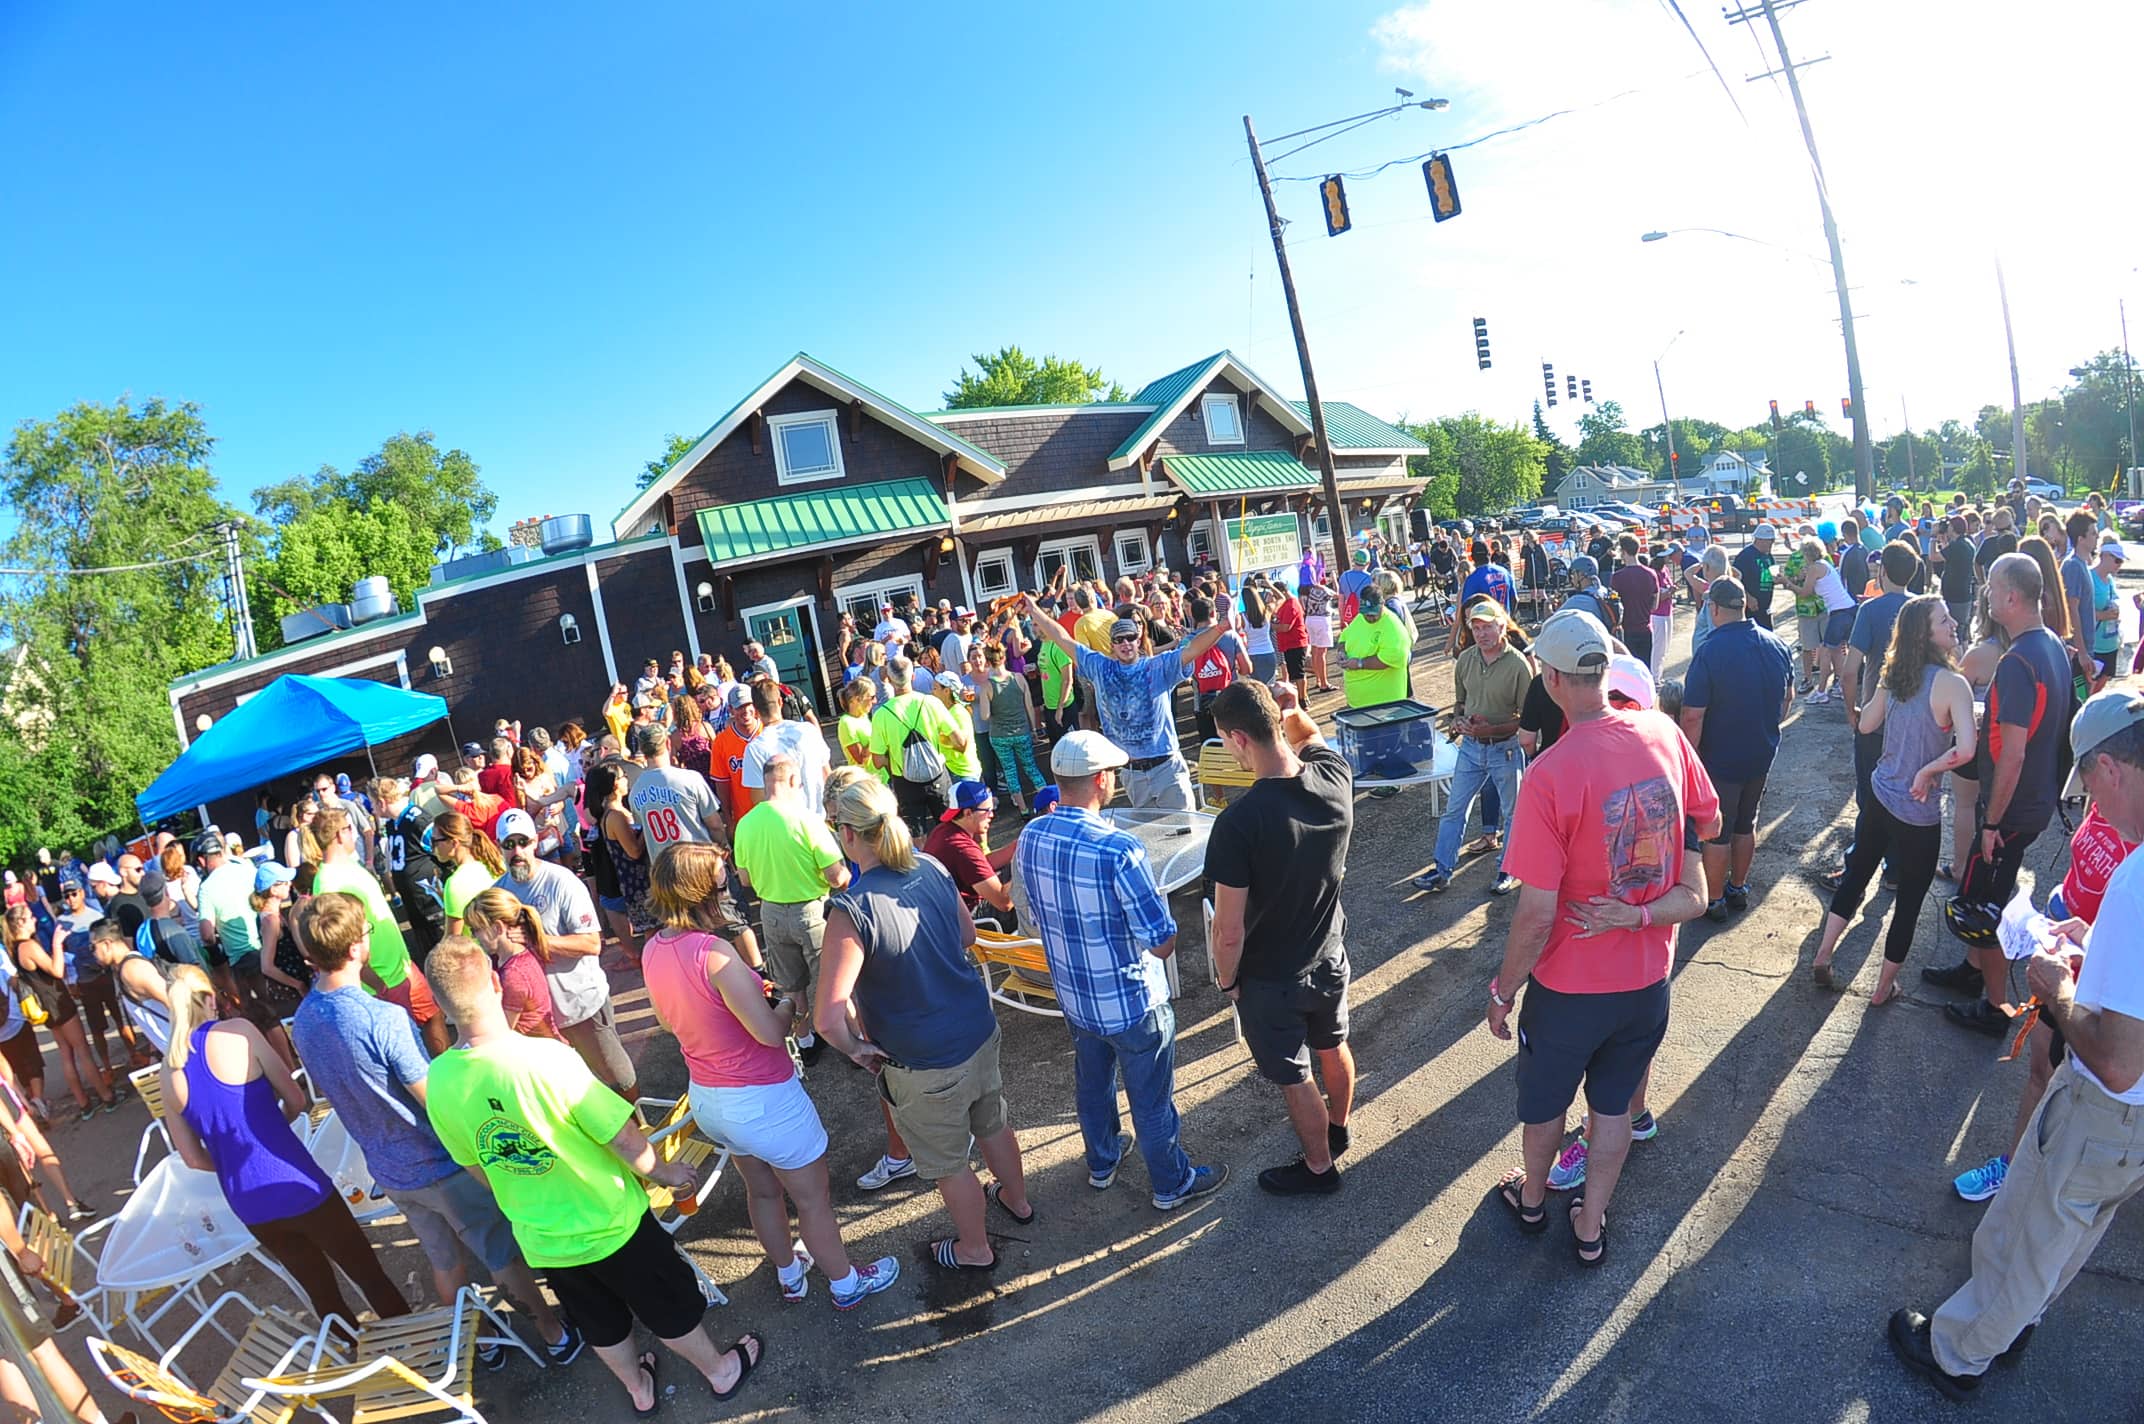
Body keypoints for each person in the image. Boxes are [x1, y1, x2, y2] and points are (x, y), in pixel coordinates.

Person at [1888, 687, 2144, 1400]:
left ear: (2113, 769)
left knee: (2039, 1230)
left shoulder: (2138, 881)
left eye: (2087, 782)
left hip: (2109, 1110)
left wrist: (2056, 990)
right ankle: (2010, 1320)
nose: (2088, 800)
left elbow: (2120, 1062)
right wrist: (2094, 948)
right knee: (2066, 1230)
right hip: (2129, 1130)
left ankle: (1957, 1353)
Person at [421, 937, 764, 1412]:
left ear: (440, 1003)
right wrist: (663, 1171)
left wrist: (523, 1195)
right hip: (611, 1221)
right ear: (496, 985)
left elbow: (473, 1163)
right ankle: (721, 1372)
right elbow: (622, 1138)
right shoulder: (546, 1060)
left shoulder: (438, 1079)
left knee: (599, 1321)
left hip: (543, 1236)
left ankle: (639, 1392)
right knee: (665, 1304)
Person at [1486, 610, 1721, 1266]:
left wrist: (1504, 991)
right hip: (1647, 979)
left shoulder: (1551, 774)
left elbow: (1536, 913)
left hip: (1570, 988)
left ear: (1553, 678)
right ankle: (1590, 1226)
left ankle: (1533, 1202)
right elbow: (1709, 816)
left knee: (1546, 1107)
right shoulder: (1664, 733)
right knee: (1613, 1108)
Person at [288, 898, 579, 1361]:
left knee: (444, 1260)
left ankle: (481, 1344)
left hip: (388, 1168)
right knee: (500, 1252)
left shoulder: (303, 1021)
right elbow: (431, 1097)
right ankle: (553, 1334)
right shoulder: (380, 1017)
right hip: (438, 1163)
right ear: (356, 946)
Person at [640, 842, 897, 1310]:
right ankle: (844, 1282)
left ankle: (789, 1275)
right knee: (813, 1199)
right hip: (763, 1099)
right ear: (701, 892)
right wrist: (784, 1003)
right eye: (721, 884)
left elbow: (667, 1018)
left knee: (761, 1190)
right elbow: (767, 1033)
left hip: (709, 1097)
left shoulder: (653, 950)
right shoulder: (714, 952)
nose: (730, 891)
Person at [816, 777, 1034, 1268]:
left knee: (949, 1164)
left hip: (921, 1059)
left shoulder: (851, 909)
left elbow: (828, 1017)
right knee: (993, 1122)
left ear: (847, 834)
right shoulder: (933, 866)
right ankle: (1018, 1202)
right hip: (977, 1028)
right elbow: (963, 936)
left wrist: (857, 1049)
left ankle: (975, 1250)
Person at [1016, 731, 1227, 1211]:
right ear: (1100, 780)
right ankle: (1171, 1183)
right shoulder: (1119, 851)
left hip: (1074, 995)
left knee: (1093, 1085)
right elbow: (1162, 941)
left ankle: (1102, 1162)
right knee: (1151, 1101)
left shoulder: (1031, 834)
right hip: (1130, 1001)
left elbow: (1029, 908)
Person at [160, 962, 410, 1325]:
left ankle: (353, 1353)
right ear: (210, 999)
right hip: (296, 1181)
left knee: (321, 1292)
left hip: (249, 1201)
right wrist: (273, 1129)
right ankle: (412, 1344)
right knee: (368, 1274)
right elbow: (295, 1098)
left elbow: (193, 1158)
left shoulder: (168, 1073)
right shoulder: (240, 1033)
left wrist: (233, 1163)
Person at [1206, 681, 1354, 1195]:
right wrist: (1291, 707)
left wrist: (1226, 982)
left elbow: (1227, 931)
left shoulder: (1239, 824)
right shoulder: (1336, 776)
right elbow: (1309, 733)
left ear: (1239, 738)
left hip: (1272, 978)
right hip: (1329, 954)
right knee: (1332, 1045)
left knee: (1296, 1076)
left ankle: (1318, 1168)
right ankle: (1338, 1130)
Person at [1925, 554, 2076, 1036]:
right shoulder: (2051, 644)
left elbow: (2011, 755)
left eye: (1991, 587)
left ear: (2012, 597)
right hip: (2032, 802)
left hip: (2010, 810)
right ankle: (1973, 972)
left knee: (1983, 905)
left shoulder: (2016, 662)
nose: (1986, 595)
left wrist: (1991, 823)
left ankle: (1994, 1007)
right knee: (1984, 897)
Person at [1809, 598, 1978, 1001]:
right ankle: (1884, 988)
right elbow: (1967, 750)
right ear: (1925, 632)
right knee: (1908, 901)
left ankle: (1823, 953)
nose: (1954, 623)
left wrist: (1869, 695)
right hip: (1918, 812)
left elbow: (1867, 723)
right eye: (1944, 619)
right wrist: (1928, 769)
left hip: (1881, 794)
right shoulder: (1954, 684)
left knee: (1857, 876)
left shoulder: (1895, 675)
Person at [1021, 596, 1228, 811]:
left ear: (1138, 640)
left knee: (1185, 830)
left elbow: (1193, 649)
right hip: (1131, 773)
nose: (1125, 643)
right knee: (1151, 837)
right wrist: (1035, 611)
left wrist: (1222, 627)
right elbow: (1062, 638)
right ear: (1112, 645)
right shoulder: (1099, 667)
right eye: (1119, 640)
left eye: (1130, 638)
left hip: (1167, 768)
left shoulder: (1158, 666)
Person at [492, 809, 640, 1108]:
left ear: (536, 841)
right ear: (499, 847)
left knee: (616, 1077)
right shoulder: (498, 892)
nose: (517, 851)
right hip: (538, 1019)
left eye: (523, 842)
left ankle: (641, 1129)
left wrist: (536, 941)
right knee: (571, 1090)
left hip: (578, 1004)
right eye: (509, 845)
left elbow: (591, 943)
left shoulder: (561, 882)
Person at [1680, 578, 1794, 923]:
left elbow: (1692, 715)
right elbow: (1788, 698)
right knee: (1748, 821)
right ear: (1743, 605)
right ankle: (1738, 887)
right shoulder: (1776, 644)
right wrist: (1769, 728)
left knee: (1718, 831)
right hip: (1761, 752)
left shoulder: (1710, 651)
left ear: (1713, 608)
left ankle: (1714, 900)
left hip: (1721, 759)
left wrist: (1689, 760)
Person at [732, 755, 848, 1065]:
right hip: (812, 912)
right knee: (837, 980)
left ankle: (806, 1041)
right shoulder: (807, 820)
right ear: (794, 781)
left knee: (791, 986)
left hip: (770, 912)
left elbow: (743, 878)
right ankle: (850, 1041)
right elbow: (836, 876)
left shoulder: (746, 823)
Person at [1413, 599, 1530, 898]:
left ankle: (1507, 869)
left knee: (1513, 814)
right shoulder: (1465, 659)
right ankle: (1442, 869)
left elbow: (1527, 721)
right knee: (1454, 810)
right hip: (1471, 748)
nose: (1481, 634)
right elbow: (1460, 702)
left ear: (1501, 627)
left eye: (1487, 627)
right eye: (1476, 628)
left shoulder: (1518, 665)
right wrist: (1458, 720)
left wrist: (1490, 729)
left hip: (1504, 749)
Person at [310, 809, 449, 1057]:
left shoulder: (350, 866)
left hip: (401, 966)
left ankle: (448, 1078)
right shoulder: (329, 883)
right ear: (340, 835)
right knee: (408, 1046)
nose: (354, 835)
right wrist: (377, 983)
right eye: (350, 829)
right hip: (380, 979)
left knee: (433, 1015)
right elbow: (341, 944)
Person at [868, 655, 970, 833]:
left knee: (916, 835)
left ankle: (924, 860)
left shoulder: (881, 715)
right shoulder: (932, 703)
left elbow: (877, 760)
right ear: (913, 677)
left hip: (904, 782)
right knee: (951, 829)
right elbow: (961, 743)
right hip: (937, 775)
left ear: (890, 680)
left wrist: (896, 761)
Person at [459, 889, 564, 1039]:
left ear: (497, 928)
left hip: (537, 1055)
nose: (475, 936)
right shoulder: (513, 956)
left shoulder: (514, 974)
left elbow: (502, 1032)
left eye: (476, 929)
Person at [628, 722, 727, 857]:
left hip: (664, 869)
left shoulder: (635, 791)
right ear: (668, 744)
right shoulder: (690, 779)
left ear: (643, 750)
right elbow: (715, 825)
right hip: (699, 861)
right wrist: (723, 846)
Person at [923, 780, 1016, 922]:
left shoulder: (943, 830)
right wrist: (1024, 876)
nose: (992, 815)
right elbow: (1004, 903)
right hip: (968, 919)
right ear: (968, 813)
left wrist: (1019, 846)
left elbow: (983, 864)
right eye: (987, 811)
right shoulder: (963, 849)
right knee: (1027, 897)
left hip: (942, 912)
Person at [741, 679, 831, 815]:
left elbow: (759, 800)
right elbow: (827, 775)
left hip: (787, 825)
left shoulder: (754, 748)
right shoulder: (809, 730)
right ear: (780, 702)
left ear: (755, 711)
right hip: (820, 819)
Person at [976, 641, 1045, 814]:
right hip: (1022, 731)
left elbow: (984, 716)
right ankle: (1048, 801)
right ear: (1004, 657)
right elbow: (1029, 706)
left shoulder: (987, 686)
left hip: (999, 735)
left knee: (1010, 772)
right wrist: (1034, 730)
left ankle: (1023, 810)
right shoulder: (1019, 678)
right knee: (1031, 767)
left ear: (987, 661)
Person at [431, 809, 505, 937]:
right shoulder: (496, 864)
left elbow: (452, 939)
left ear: (454, 843)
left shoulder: (455, 884)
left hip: (481, 952)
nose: (432, 847)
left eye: (435, 841)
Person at [1337, 590, 1409, 710]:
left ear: (1382, 604)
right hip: (1357, 703)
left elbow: (1391, 658)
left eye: (1374, 613)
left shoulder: (1393, 627)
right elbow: (1344, 638)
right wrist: (1341, 652)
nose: (1370, 617)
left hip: (1385, 705)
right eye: (1366, 613)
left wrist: (1360, 663)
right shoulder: (1360, 617)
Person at [1607, 536, 1659, 669]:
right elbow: (1655, 605)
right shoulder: (1651, 574)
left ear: (1623, 552)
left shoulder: (1617, 577)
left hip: (1627, 631)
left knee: (1628, 670)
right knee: (1645, 668)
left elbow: (1613, 609)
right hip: (1646, 629)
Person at [1733, 522, 1780, 630]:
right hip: (1750, 609)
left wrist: (1777, 579)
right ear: (1759, 539)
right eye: (1770, 540)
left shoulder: (1768, 556)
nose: (1772, 543)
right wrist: (1748, 597)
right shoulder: (1745, 556)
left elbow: (1771, 575)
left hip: (1765, 609)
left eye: (1773, 540)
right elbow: (1734, 580)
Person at [1301, 574, 1337, 692]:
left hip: (1309, 619)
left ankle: (1318, 679)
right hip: (1321, 619)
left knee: (1315, 650)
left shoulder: (1304, 590)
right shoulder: (1323, 590)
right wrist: (1334, 580)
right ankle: (1324, 683)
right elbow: (1337, 594)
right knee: (1321, 652)